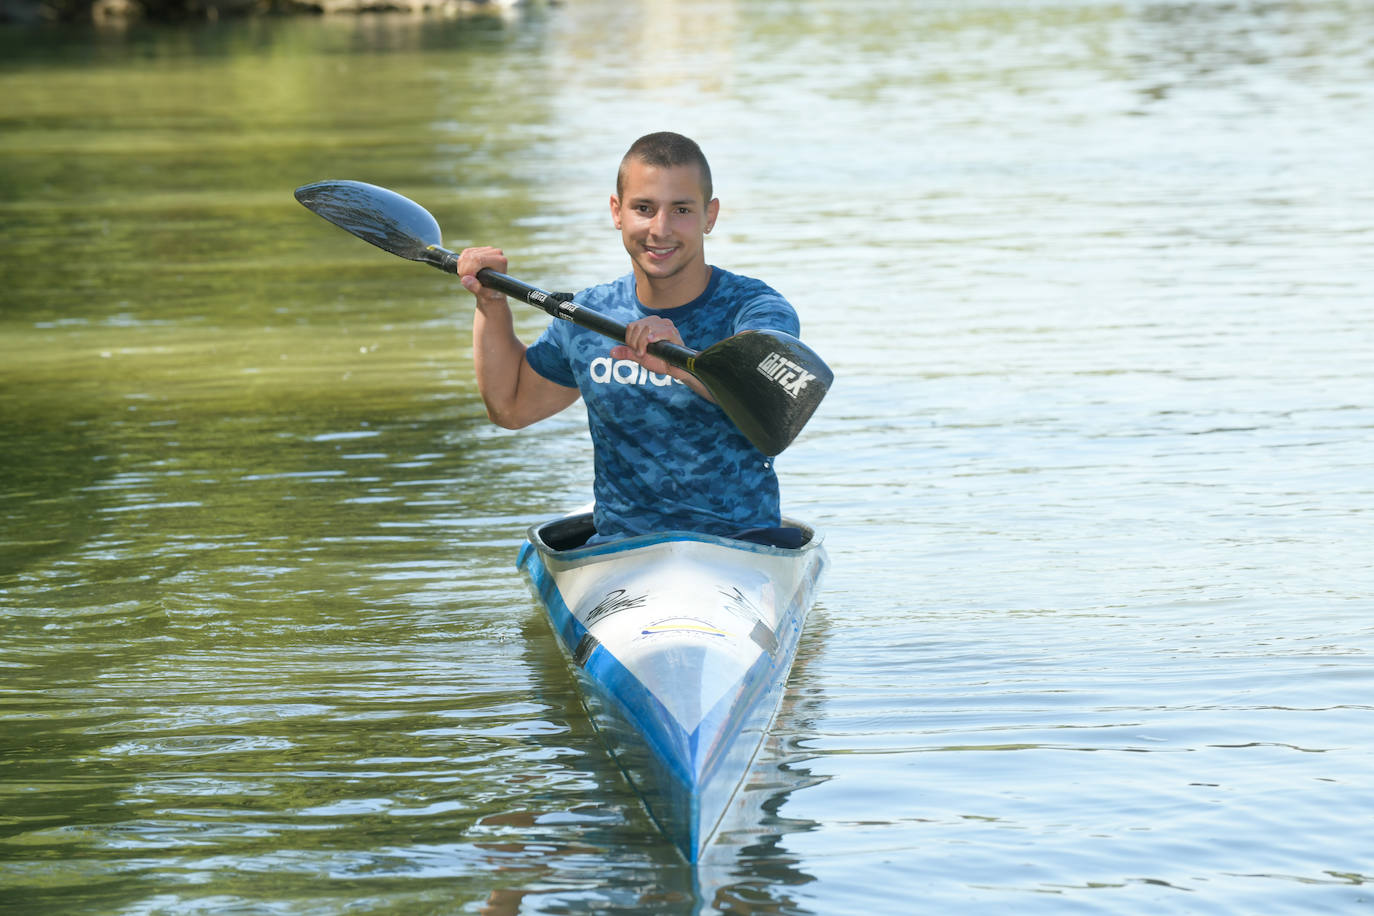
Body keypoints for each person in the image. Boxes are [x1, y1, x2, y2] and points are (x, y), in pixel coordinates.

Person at [455, 131, 804, 544]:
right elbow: (510, 408)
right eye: (644, 208)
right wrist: (492, 304)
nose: (660, 229)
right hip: (622, 553)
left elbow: (769, 397)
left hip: (743, 546)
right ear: (616, 211)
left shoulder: (755, 309)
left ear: (709, 216)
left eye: (681, 210)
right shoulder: (588, 316)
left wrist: (681, 362)